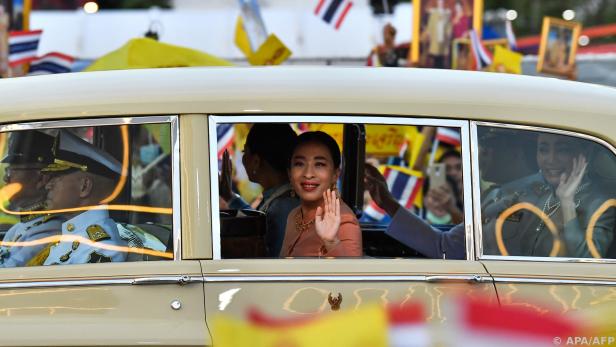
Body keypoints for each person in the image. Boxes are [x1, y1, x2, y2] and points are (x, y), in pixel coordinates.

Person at [482, 133, 615, 258]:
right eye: (543, 150)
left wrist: (567, 204)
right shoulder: (536, 192)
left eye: (562, 150)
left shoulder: (601, 204)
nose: (550, 160)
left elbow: (588, 262)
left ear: (585, 154)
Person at [29, 130, 128, 265]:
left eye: (56, 178)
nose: (48, 186)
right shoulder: (74, 236)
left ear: (84, 187)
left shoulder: (101, 248)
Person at [219, 124, 299, 256]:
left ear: (256, 161)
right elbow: (257, 218)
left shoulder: (281, 209)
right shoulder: (281, 201)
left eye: (245, 152)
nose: (243, 159)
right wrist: (229, 196)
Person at [280, 131, 362, 257]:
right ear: (290, 173)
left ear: (335, 174)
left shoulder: (344, 221)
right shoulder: (294, 215)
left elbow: (352, 274)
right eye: (299, 164)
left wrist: (331, 242)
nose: (308, 174)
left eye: (319, 164)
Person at [364, 163, 465, 259]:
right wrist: (388, 202)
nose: (439, 199)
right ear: (424, 199)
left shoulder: (477, 218)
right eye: (433, 194)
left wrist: (388, 202)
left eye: (445, 192)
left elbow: (444, 248)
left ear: (456, 198)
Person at [0, 131, 64, 267]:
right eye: (7, 171)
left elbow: (9, 272)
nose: (6, 178)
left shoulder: (49, 230)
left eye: (12, 171)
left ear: (41, 179)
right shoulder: (21, 226)